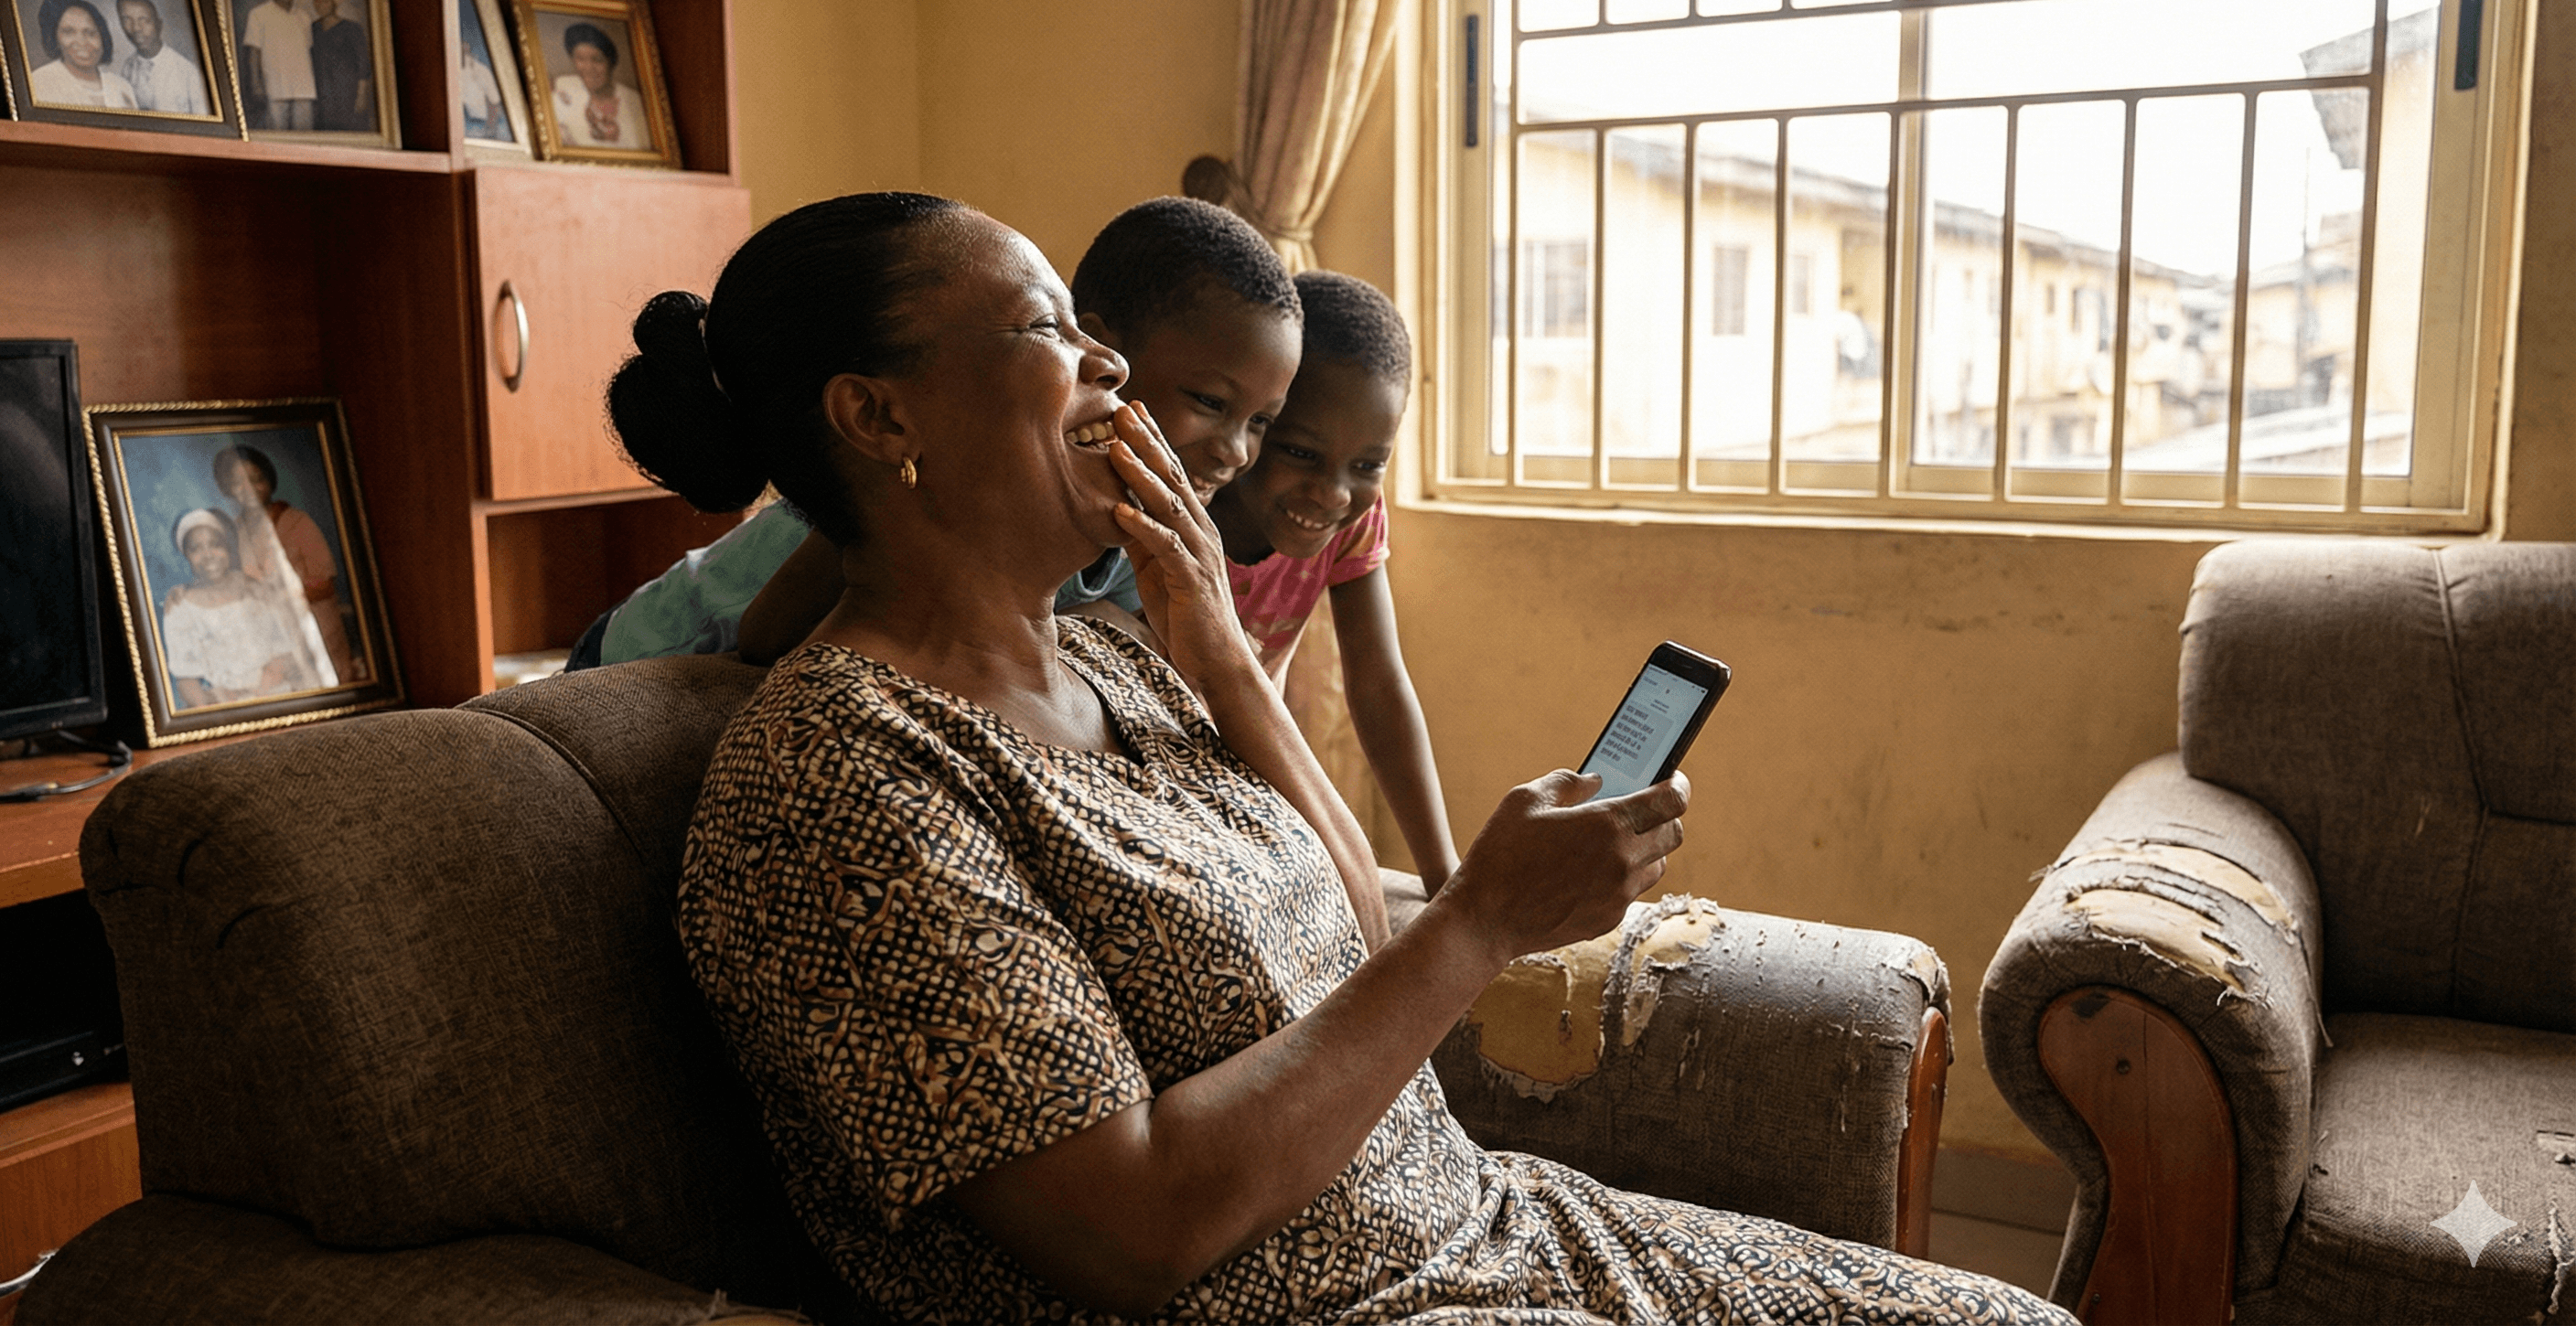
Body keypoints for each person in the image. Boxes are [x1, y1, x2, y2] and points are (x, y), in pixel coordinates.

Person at [612, 191, 2071, 1324]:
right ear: (877, 415)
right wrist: (1487, 918)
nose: (1110, 368)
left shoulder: (1118, 659)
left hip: (1485, 1229)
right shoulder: (840, 780)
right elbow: (1130, 1235)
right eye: (1056, 333)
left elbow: (1354, 932)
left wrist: (1220, 648)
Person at [573, 195, 1299, 669]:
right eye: (1208, 400)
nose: (1234, 450)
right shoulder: (879, 505)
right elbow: (766, 638)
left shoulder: (1106, 525)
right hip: (636, 650)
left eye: (1262, 421)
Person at [1208, 271, 1459, 891]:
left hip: (1247, 774)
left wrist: (1444, 877)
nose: (1333, 492)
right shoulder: (1190, 510)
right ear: (1257, 423)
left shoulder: (1352, 518)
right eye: (1300, 452)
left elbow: (1377, 686)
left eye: (1368, 464)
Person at [210, 444, 358, 685]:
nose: (249, 489)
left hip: (313, 626)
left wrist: (278, 600)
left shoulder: (296, 522)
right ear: (226, 488)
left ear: (269, 481)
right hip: (265, 634)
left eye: (257, 479)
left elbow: (324, 586)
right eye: (238, 483)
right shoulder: (233, 534)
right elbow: (227, 585)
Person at [160, 509, 314, 709]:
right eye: (196, 549)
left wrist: (258, 693)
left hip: (277, 694)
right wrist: (216, 711)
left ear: (227, 547)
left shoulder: (256, 592)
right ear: (186, 555)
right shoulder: (179, 608)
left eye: (215, 545)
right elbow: (185, 679)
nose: (208, 555)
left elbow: (286, 651)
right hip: (225, 708)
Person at [27, 0, 137, 110]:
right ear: (55, 38)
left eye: (90, 33)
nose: (82, 42)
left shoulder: (121, 86)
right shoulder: (40, 82)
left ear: (103, 37)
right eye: (68, 32)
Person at [550, 22, 648, 151]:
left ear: (610, 63)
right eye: (580, 59)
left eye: (597, 60)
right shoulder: (562, 98)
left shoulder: (636, 103)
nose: (589, 68)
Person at [113, 0, 209, 116]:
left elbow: (202, 123)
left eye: (144, 20)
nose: (136, 28)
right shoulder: (128, 68)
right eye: (127, 20)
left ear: (159, 25)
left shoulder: (187, 72)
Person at [241, 0, 316, 131]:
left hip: (304, 86)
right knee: (278, 136)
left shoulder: (304, 17)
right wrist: (256, 83)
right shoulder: (259, 14)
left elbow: (309, 51)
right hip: (276, 84)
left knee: (305, 137)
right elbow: (254, 53)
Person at [307, 0, 373, 132]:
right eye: (317, 0)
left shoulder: (352, 28)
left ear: (335, 4)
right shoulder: (312, 28)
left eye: (326, 1)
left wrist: (361, 95)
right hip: (322, 91)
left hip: (346, 91)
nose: (320, 5)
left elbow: (363, 63)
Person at [457, 0, 510, 141]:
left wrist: (490, 131)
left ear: (466, 46)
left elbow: (493, 101)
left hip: (479, 128)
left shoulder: (481, 70)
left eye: (462, 44)